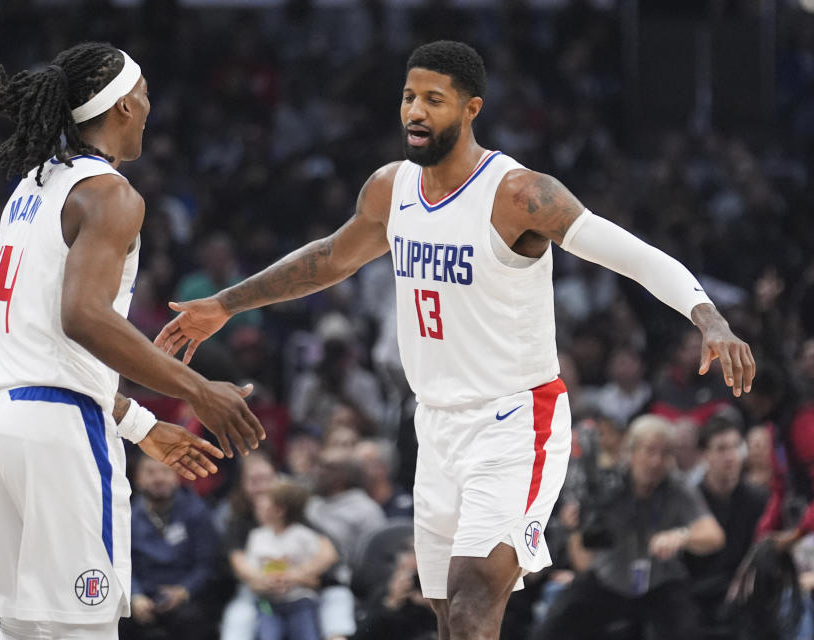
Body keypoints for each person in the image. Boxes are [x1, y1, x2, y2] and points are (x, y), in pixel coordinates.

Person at [155, 40, 754, 640]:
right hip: (435, 425)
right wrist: (226, 304)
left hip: (515, 419)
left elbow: (635, 256)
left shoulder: (518, 194)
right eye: (409, 96)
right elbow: (329, 258)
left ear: (471, 109)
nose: (415, 111)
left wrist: (710, 318)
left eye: (433, 100)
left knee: (471, 608)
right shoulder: (391, 188)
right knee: (445, 619)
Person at [0, 41, 265, 640]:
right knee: (84, 629)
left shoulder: (32, 186)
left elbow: (45, 343)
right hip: (52, 430)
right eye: (145, 92)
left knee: (24, 629)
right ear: (124, 104)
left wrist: (140, 425)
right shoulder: (111, 194)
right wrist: (200, 390)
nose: (151, 105)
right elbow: (83, 318)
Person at [533, 415, 725, 640]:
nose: (656, 462)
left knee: (687, 629)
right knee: (553, 627)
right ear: (630, 453)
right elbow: (583, 562)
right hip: (609, 581)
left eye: (664, 454)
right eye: (649, 451)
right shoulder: (608, 485)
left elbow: (714, 535)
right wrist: (576, 529)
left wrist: (682, 536)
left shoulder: (677, 488)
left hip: (660, 584)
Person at [684, 414, 767, 638]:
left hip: (744, 596)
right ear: (705, 455)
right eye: (721, 449)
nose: (731, 456)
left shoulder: (758, 498)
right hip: (697, 596)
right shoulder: (688, 501)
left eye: (736, 447)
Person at [125, 456, 220, 640]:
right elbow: (122, 563)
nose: (159, 478)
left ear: (177, 476)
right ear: (138, 479)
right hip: (143, 596)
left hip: (184, 596)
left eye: (165, 471)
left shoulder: (197, 511)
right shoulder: (127, 516)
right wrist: (135, 596)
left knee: (192, 618)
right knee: (119, 617)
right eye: (151, 472)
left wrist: (184, 591)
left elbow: (206, 564)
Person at [240, 482, 338, 640]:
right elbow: (252, 578)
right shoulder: (257, 537)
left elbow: (316, 580)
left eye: (268, 502)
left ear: (280, 510)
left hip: (300, 600)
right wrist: (265, 583)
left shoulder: (304, 536)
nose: (262, 505)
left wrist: (294, 578)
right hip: (268, 603)